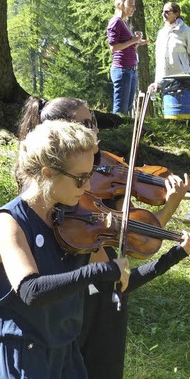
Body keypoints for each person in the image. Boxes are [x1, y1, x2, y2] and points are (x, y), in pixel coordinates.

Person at [17, 96, 190, 379]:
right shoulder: (25, 216)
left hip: (81, 318)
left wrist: (172, 212)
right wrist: (106, 270)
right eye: (88, 123)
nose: (96, 130)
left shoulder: (85, 203)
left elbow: (128, 235)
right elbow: (33, 290)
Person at [0, 120, 130, 379]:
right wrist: (99, 271)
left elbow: (114, 278)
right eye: (80, 179)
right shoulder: (9, 222)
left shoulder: (72, 219)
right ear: (48, 173)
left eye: (90, 176)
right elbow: (31, 291)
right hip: (27, 355)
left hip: (67, 351)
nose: (88, 188)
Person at [107, 0, 148, 116]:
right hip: (122, 70)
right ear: (121, 5)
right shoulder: (115, 22)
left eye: (134, 6)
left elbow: (124, 45)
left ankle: (125, 133)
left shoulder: (124, 23)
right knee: (120, 111)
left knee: (128, 108)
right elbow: (113, 47)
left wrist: (137, 44)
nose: (134, 9)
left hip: (130, 70)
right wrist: (133, 41)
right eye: (131, 5)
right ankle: (116, 133)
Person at [152, 2, 190, 88]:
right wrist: (157, 82)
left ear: (176, 13)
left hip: (182, 79)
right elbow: (158, 59)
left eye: (166, 12)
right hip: (165, 78)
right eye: (162, 12)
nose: (163, 14)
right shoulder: (161, 33)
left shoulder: (186, 31)